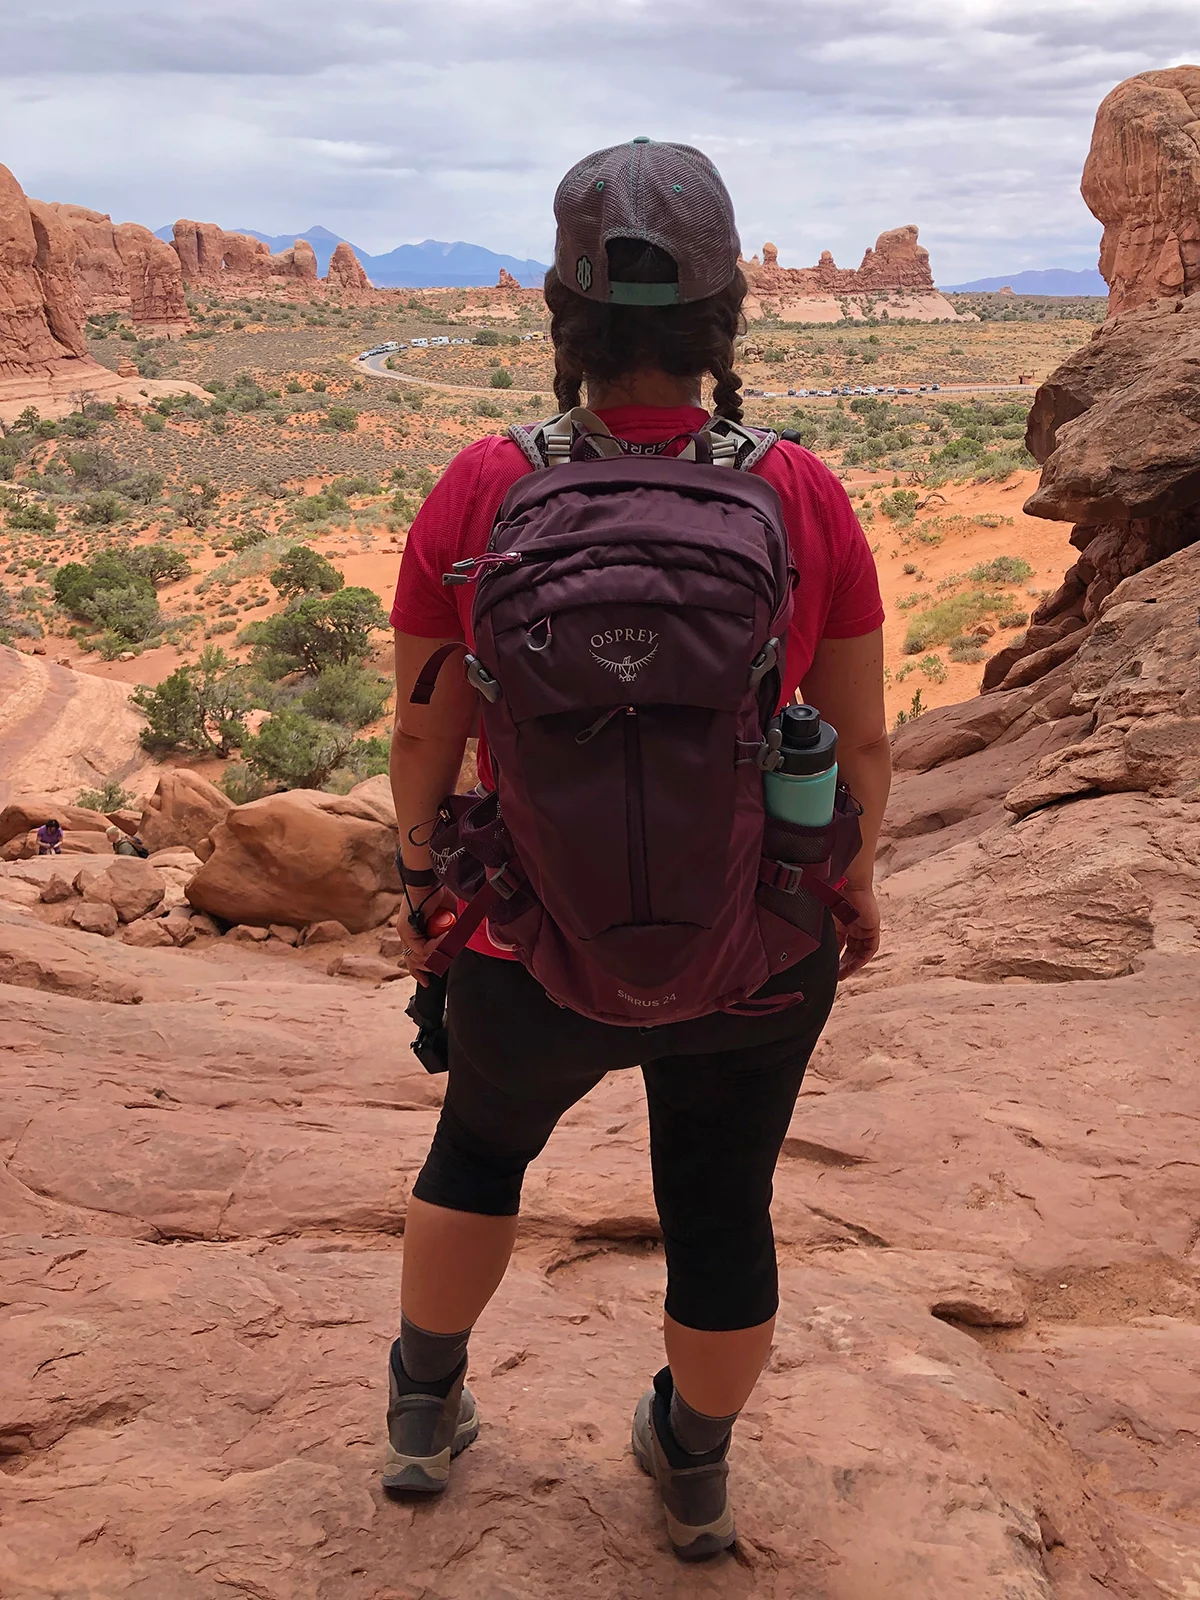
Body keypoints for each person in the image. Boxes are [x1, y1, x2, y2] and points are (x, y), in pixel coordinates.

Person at [385, 138, 890, 1560]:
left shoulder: (483, 483)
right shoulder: (799, 489)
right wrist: (850, 884)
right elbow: (860, 742)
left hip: (522, 932)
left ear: (565, 316)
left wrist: (422, 886)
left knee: (477, 1148)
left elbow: (426, 737)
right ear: (725, 315)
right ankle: (694, 1463)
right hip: (757, 936)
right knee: (721, 1205)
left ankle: (423, 1409)